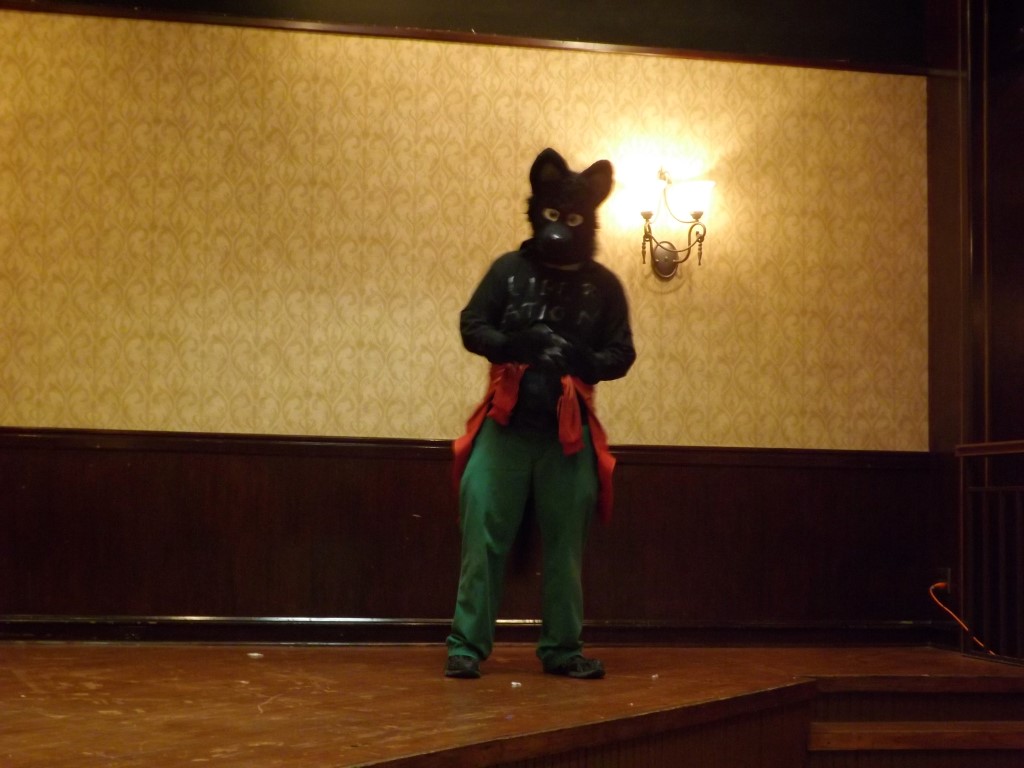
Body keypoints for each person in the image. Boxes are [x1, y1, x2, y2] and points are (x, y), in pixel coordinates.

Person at [445, 148, 636, 680]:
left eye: (571, 217)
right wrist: (513, 344)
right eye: (553, 214)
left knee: (565, 546)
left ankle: (562, 649)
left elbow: (622, 354)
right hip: (504, 427)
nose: (559, 226)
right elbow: (472, 325)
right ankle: (466, 645)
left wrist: (583, 360)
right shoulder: (508, 271)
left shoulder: (604, 286)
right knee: (481, 531)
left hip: (568, 438)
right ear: (538, 210)